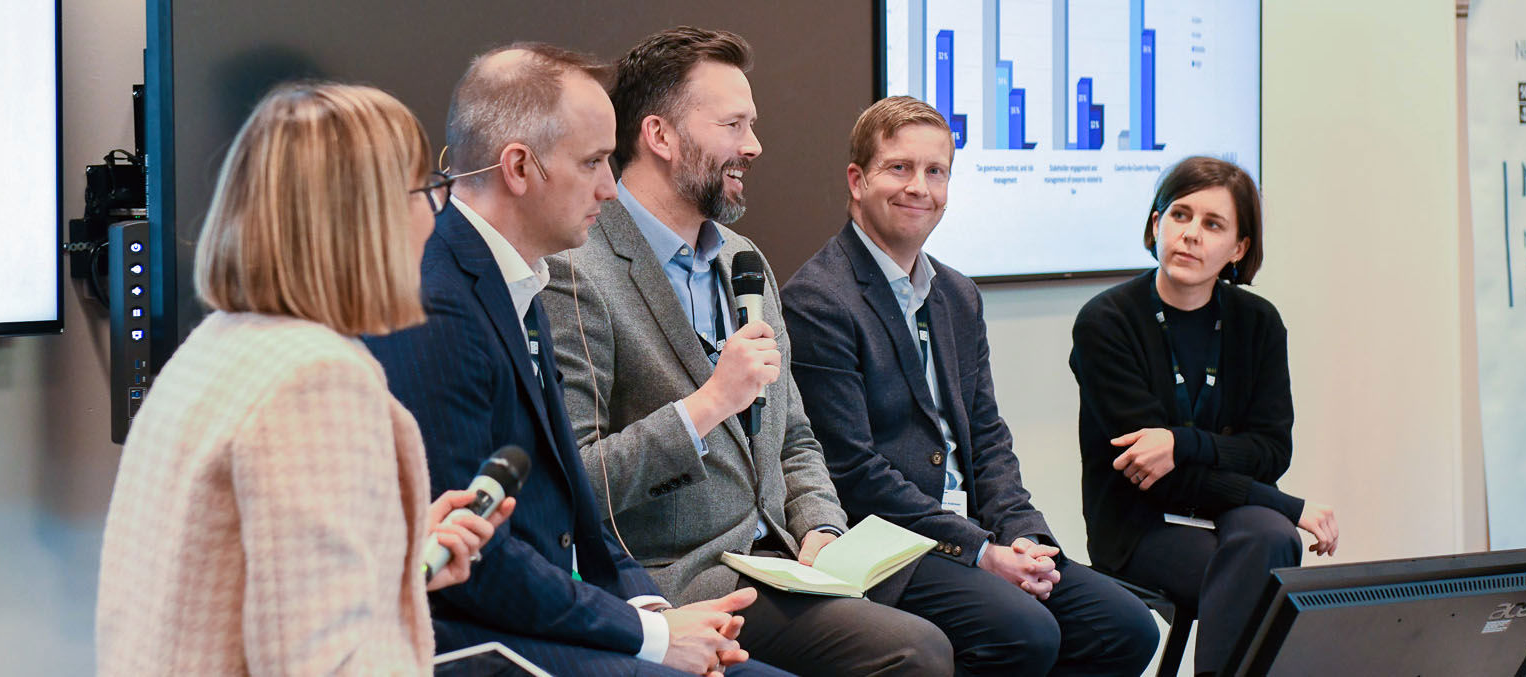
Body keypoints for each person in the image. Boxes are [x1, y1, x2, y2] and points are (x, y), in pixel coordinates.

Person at [541, 27, 953, 677]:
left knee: (995, 624)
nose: (754, 146)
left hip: (785, 555)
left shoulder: (743, 261)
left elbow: (793, 435)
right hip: (683, 578)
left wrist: (820, 525)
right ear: (660, 136)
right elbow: (578, 479)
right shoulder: (577, 269)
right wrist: (707, 405)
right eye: (733, 124)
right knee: (916, 652)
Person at [364, 44, 782, 677]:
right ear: (520, 167)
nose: (611, 189)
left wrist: (648, 608)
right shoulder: (439, 302)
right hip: (480, 638)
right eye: (592, 163)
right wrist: (648, 634)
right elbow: (477, 558)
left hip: (552, 610)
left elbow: (574, 507)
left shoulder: (519, 275)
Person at [95, 82, 509, 674]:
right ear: (368, 220)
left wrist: (400, 558)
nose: (437, 214)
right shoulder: (316, 381)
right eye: (427, 190)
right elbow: (324, 662)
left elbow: (251, 584)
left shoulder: (216, 346)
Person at [783, 95, 1161, 676]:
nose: (919, 187)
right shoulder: (818, 300)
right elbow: (853, 472)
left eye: (936, 171)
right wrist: (983, 552)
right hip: (889, 545)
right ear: (857, 181)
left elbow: (987, 437)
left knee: (1125, 627)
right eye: (899, 168)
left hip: (975, 531)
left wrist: (1024, 535)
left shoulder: (957, 294)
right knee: (1023, 631)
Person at [1070, 155, 1340, 675]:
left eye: (1213, 224)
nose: (1191, 234)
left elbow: (1271, 451)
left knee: (1269, 540)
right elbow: (1151, 477)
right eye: (1180, 215)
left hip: (1226, 515)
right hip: (1137, 523)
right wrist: (1288, 505)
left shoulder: (1257, 323)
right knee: (1267, 550)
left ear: (1238, 248)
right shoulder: (1106, 322)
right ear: (1156, 225)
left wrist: (1179, 444)